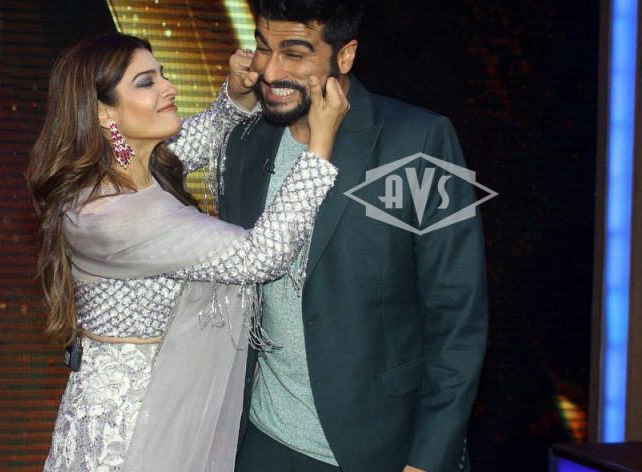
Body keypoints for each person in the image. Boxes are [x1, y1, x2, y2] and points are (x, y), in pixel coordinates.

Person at [26, 33, 349, 471]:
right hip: (134, 429)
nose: (169, 87)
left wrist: (237, 95)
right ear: (104, 111)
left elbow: (200, 137)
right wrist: (320, 147)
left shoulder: (130, 171)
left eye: (162, 74)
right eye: (146, 82)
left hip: (164, 402)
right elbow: (261, 254)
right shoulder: (114, 214)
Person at [218, 2, 489, 472]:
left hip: (381, 448)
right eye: (264, 48)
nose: (271, 71)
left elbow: (458, 317)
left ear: (344, 56)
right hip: (263, 438)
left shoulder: (419, 143)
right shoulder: (245, 141)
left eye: (295, 54)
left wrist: (428, 460)